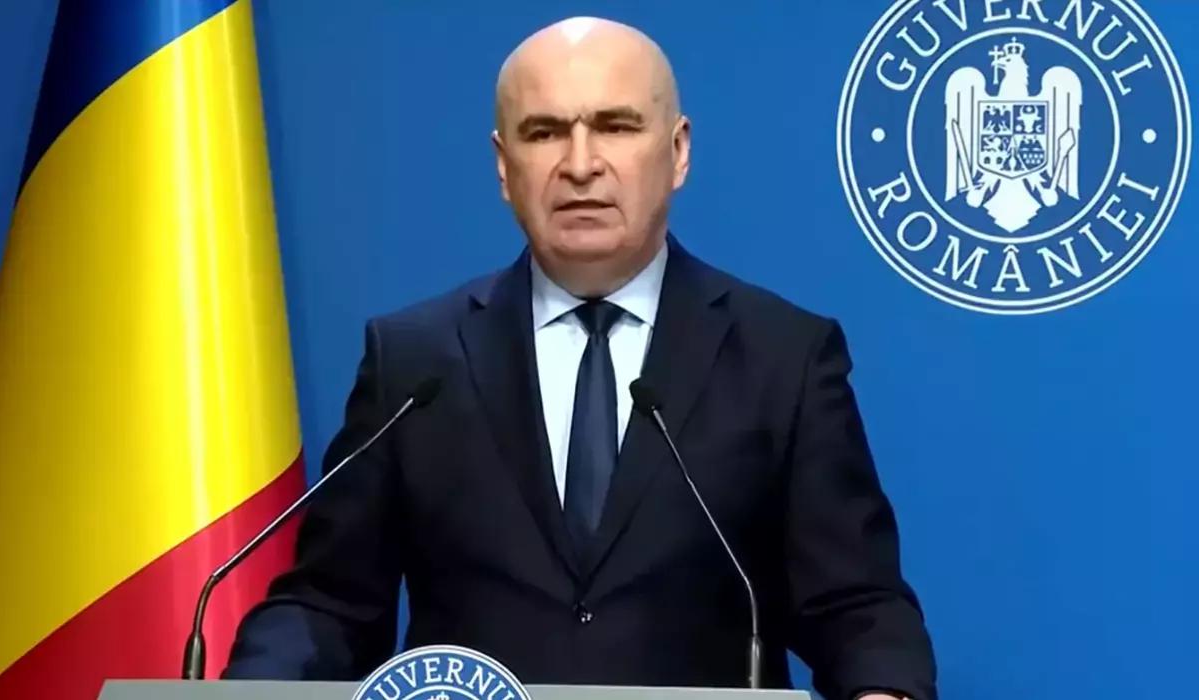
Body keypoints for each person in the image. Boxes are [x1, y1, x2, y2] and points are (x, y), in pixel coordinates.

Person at [223, 16, 937, 700]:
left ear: (678, 151)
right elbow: (329, 605)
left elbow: (856, 604)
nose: (581, 164)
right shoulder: (415, 362)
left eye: (616, 126)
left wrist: (884, 687)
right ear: (504, 166)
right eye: (545, 132)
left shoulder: (783, 356)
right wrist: (253, 690)